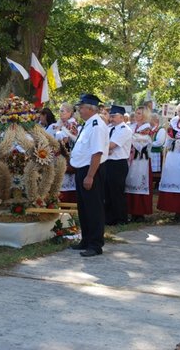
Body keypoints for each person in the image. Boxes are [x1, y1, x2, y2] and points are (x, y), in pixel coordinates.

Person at [69, 94, 109, 257]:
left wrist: (90, 176)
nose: (79, 110)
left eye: (81, 107)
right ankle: (86, 240)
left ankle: (95, 244)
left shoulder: (97, 125)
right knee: (84, 208)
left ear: (90, 108)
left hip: (92, 170)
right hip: (83, 169)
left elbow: (97, 153)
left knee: (93, 208)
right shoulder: (88, 124)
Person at [104, 105, 132, 225]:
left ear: (121, 117)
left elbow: (111, 145)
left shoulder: (125, 130)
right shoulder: (109, 128)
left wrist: (106, 148)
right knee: (107, 192)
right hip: (107, 162)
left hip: (118, 163)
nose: (111, 118)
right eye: (110, 116)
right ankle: (109, 218)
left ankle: (121, 218)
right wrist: (106, 148)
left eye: (114, 116)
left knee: (117, 192)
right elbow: (106, 146)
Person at [125, 106, 153, 222]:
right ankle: (131, 211)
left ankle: (140, 212)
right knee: (130, 182)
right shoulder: (131, 127)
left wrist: (131, 138)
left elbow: (144, 142)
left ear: (145, 115)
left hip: (142, 160)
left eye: (139, 114)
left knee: (140, 183)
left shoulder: (146, 128)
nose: (136, 116)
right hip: (131, 160)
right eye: (136, 113)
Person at [47, 102, 79, 202]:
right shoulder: (55, 124)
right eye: (59, 110)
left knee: (65, 184)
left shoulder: (73, 125)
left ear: (70, 113)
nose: (60, 113)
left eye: (62, 111)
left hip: (67, 157)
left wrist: (61, 131)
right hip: (54, 157)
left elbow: (68, 140)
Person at [149, 113, 166, 184]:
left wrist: (148, 144)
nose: (149, 121)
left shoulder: (161, 129)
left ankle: (156, 184)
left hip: (156, 153)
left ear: (155, 120)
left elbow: (159, 142)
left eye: (150, 119)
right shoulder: (151, 128)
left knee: (156, 171)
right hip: (150, 152)